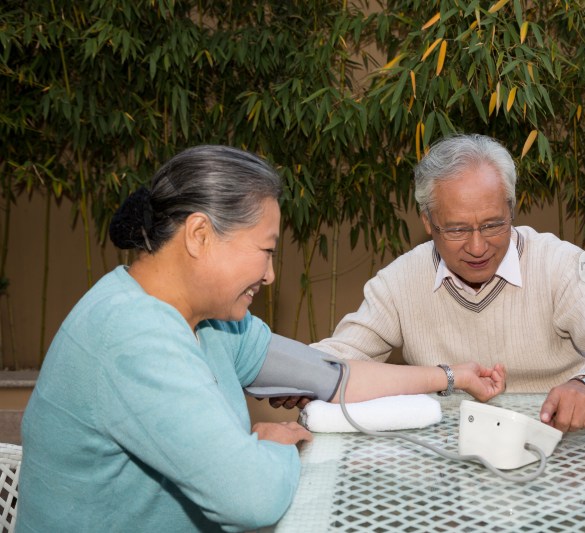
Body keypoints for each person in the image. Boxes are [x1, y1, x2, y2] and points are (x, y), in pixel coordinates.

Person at [17, 145, 506, 532]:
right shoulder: (133, 337)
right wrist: (272, 445)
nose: (271, 276)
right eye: (266, 251)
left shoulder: (212, 321)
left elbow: (330, 377)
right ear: (199, 235)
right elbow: (252, 500)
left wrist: (448, 376)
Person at [312, 133, 585, 434]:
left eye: (494, 225)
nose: (478, 246)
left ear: (511, 208)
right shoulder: (399, 282)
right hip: (469, 448)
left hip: (578, 439)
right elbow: (334, 362)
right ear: (427, 220)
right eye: (457, 230)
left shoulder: (558, 263)